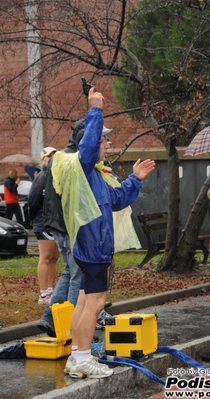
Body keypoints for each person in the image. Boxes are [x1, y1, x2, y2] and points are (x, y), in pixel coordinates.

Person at [52, 87, 155, 379]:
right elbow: (87, 148)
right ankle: (83, 358)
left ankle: (76, 357)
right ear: (90, 141)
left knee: (85, 301)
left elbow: (118, 200)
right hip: (92, 247)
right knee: (95, 304)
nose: (108, 144)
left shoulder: (96, 173)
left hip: (94, 246)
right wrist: (95, 108)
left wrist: (135, 178)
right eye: (104, 139)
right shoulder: (81, 166)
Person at [37, 121, 113, 336]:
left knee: (70, 269)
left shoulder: (62, 157)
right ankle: (70, 325)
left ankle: (50, 316)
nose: (106, 143)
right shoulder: (74, 159)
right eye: (100, 138)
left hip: (58, 223)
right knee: (78, 274)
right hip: (70, 225)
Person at [28, 147, 60, 305]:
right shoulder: (41, 177)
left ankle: (50, 289)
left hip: (55, 223)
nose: (52, 159)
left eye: (54, 156)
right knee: (46, 257)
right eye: (49, 157)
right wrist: (35, 221)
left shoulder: (56, 176)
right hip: (43, 223)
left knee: (54, 257)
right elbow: (33, 201)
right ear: (43, 160)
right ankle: (43, 293)